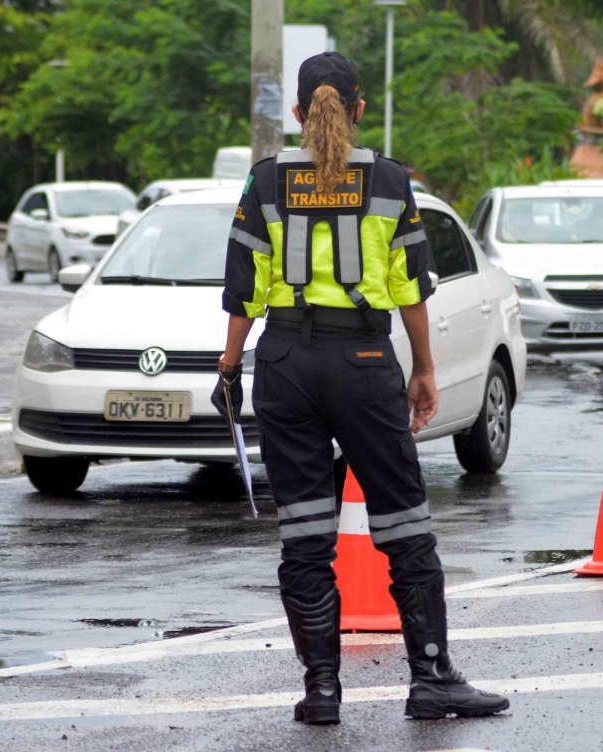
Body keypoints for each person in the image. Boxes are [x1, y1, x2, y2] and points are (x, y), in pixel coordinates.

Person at [216, 52, 509, 725]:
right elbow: (410, 290)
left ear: (297, 114)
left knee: (307, 532)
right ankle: (431, 677)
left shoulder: (264, 182)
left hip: (286, 362)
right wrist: (425, 371)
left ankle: (321, 691)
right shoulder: (387, 180)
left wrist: (230, 369)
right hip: (365, 359)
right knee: (404, 522)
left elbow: (243, 292)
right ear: (359, 110)